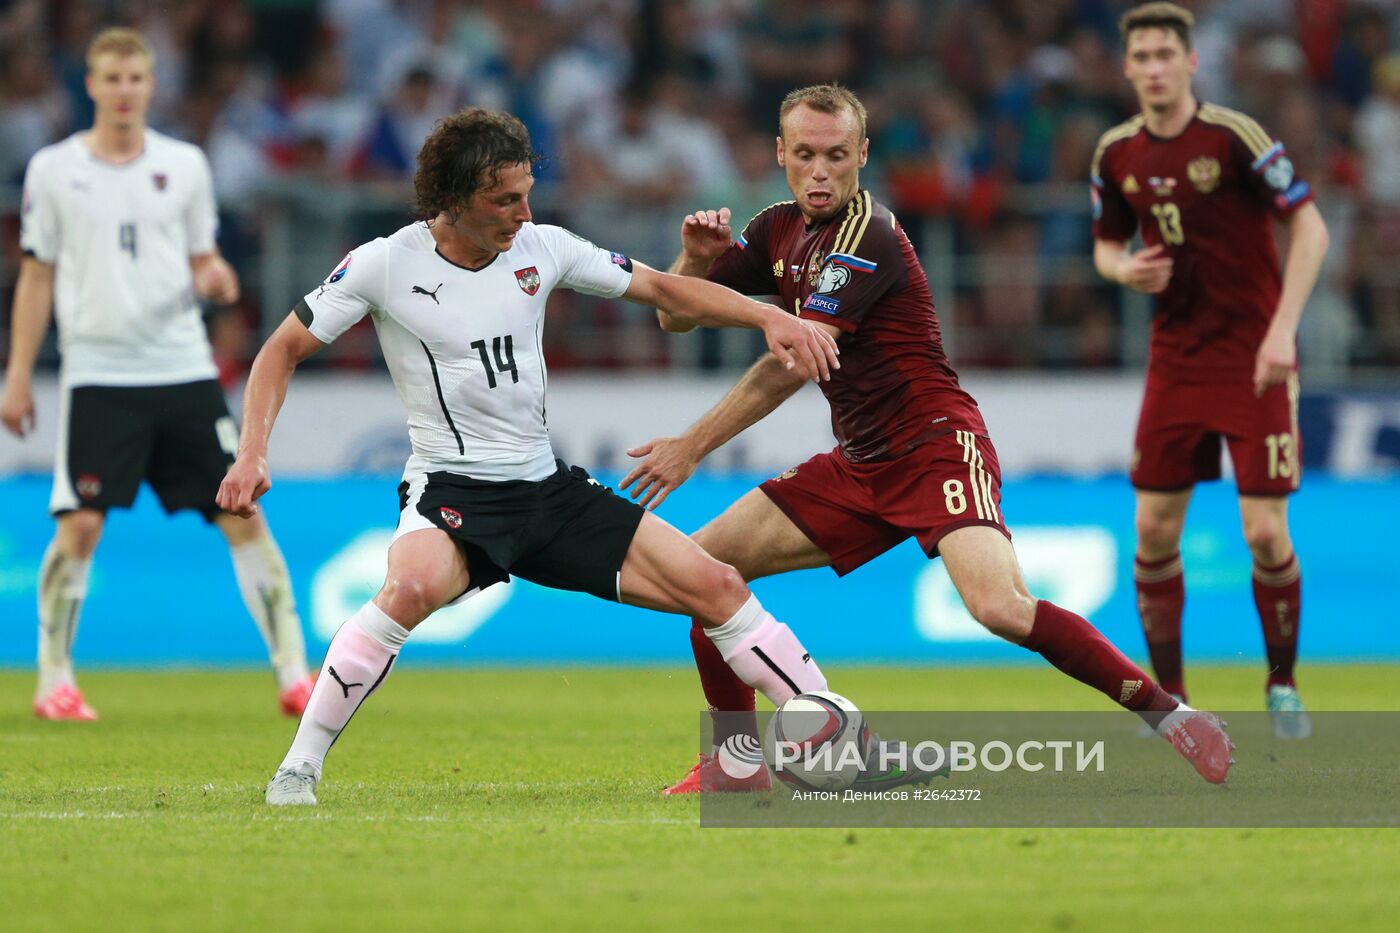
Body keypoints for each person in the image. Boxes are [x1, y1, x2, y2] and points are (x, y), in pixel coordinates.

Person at [217, 107, 878, 807]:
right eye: (505, 199)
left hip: (548, 488)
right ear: (455, 196)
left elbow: (663, 288)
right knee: (407, 591)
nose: (523, 212)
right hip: (455, 489)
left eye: (527, 192)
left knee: (717, 586)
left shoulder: (544, 247)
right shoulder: (385, 263)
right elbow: (280, 349)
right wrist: (251, 452)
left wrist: (769, 315)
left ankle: (839, 744)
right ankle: (298, 769)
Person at [620, 83, 1235, 793]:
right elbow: (675, 318)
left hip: (935, 443)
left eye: (839, 156)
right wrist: (694, 259)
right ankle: (736, 764)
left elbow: (795, 360)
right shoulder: (774, 229)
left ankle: (1173, 716)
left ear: (863, 156)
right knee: (705, 577)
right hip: (859, 463)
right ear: (781, 154)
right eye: (808, 155)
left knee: (1000, 607)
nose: (822, 172)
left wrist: (692, 443)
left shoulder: (867, 235)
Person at [0, 28, 314, 721]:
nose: (123, 91)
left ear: (150, 84)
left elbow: (201, 257)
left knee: (244, 511)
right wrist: (17, 373)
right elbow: (36, 275)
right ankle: (54, 677)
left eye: (135, 79)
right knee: (80, 525)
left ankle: (296, 672)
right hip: (99, 374)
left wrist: (215, 274)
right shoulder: (54, 170)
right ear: (90, 84)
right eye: (110, 79)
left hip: (181, 367)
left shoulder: (185, 165)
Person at [1089, 3, 1329, 738]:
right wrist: (1125, 270)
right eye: (1143, 56)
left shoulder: (1233, 137)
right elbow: (1105, 245)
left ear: (1191, 63)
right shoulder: (1116, 153)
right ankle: (1171, 701)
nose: (1156, 67)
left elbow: (1309, 224)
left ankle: (1282, 682)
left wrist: (1284, 331)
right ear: (1127, 67)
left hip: (1255, 358)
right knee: (1153, 527)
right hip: (1177, 363)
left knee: (1263, 534)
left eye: (1168, 54)